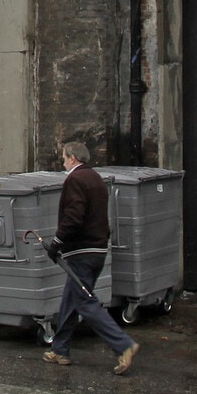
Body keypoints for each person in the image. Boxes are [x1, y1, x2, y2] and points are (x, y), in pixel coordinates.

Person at [43, 138, 138, 374]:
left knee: (85, 302)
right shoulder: (95, 178)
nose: (63, 163)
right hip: (97, 250)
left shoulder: (75, 179)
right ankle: (60, 348)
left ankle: (123, 345)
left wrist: (56, 243)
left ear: (72, 158)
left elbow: (74, 216)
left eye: (64, 158)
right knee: (71, 298)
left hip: (81, 251)